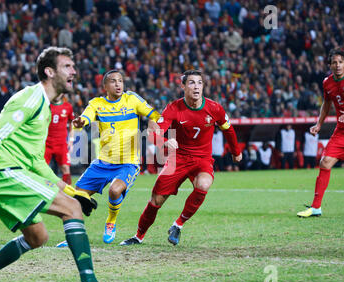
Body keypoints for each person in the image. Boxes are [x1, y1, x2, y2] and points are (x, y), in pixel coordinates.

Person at [0, 47, 128, 282]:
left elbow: (36, 160)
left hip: (7, 173)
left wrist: (70, 190)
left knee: (38, 237)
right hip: (1, 172)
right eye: (67, 66)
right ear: (49, 71)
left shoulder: (45, 108)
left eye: (73, 67)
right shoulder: (32, 98)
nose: (74, 71)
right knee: (72, 210)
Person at [120, 69, 242, 246]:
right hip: (178, 159)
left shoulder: (214, 108)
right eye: (191, 83)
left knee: (203, 185)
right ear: (183, 86)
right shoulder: (174, 108)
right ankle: (138, 236)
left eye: (199, 83)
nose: (196, 86)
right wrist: (164, 141)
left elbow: (228, 130)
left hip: (203, 160)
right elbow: (155, 133)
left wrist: (235, 151)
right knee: (156, 201)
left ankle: (178, 225)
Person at [63, 69, 161, 245]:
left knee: (114, 191)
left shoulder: (132, 99)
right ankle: (75, 237)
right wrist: (80, 122)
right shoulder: (97, 103)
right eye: (113, 81)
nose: (118, 84)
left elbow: (154, 114)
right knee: (76, 198)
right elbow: (85, 117)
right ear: (105, 86)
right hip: (103, 162)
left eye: (121, 81)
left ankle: (111, 221)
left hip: (128, 163)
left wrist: (154, 120)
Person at [297, 48, 344, 218]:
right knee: (325, 162)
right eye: (334, 62)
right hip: (341, 132)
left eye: (341, 62)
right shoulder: (327, 83)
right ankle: (316, 207)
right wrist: (319, 124)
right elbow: (326, 104)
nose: (338, 65)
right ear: (330, 65)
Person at [44, 93, 74, 185]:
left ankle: (68, 195)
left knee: (66, 169)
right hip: (46, 143)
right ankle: (41, 193)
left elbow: (72, 123)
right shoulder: (46, 106)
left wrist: (71, 140)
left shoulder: (68, 106)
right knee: (40, 169)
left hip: (61, 144)